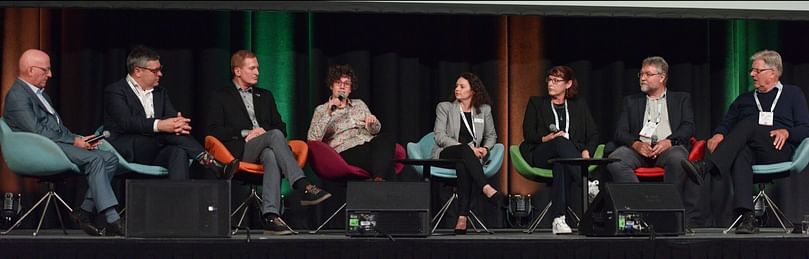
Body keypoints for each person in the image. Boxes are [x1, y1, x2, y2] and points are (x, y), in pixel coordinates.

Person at [683, 50, 809, 234]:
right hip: (752, 152)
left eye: (757, 71)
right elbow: (727, 123)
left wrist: (787, 131)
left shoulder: (792, 93)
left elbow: (805, 128)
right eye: (752, 71)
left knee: (749, 123)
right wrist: (718, 134)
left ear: (773, 72)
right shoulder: (745, 99)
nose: (752, 74)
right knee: (742, 152)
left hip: (778, 150)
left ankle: (707, 166)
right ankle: (747, 217)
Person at [206, 50, 331, 235]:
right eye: (252, 68)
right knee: (273, 137)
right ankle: (302, 184)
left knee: (271, 154)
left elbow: (281, 127)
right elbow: (213, 130)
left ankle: (270, 216)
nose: (257, 72)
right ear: (237, 71)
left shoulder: (265, 95)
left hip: (267, 147)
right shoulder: (221, 96)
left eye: (258, 67)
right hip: (240, 151)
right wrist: (246, 133)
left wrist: (265, 133)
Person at [3, 49, 123, 236]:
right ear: (30, 69)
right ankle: (112, 218)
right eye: (45, 70)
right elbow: (36, 131)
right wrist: (74, 141)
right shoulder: (18, 95)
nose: (50, 74)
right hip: (39, 150)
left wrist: (81, 139)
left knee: (109, 158)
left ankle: (83, 211)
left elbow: (58, 129)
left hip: (56, 145)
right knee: (95, 160)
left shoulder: (40, 94)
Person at [103, 45, 238, 180]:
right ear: (138, 71)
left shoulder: (160, 92)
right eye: (155, 71)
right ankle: (210, 161)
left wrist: (177, 124)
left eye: (160, 69)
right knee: (165, 134)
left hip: (155, 149)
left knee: (178, 152)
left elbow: (171, 118)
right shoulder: (116, 91)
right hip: (128, 149)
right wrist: (160, 125)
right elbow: (127, 122)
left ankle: (180, 200)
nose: (160, 74)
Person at [606, 56, 701, 228]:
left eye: (648, 74)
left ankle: (669, 215)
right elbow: (620, 132)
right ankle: (638, 211)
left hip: (668, 149)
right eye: (641, 74)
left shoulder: (681, 99)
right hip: (639, 150)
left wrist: (670, 142)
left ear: (662, 77)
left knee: (678, 158)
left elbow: (689, 126)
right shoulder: (631, 101)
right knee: (616, 161)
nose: (643, 78)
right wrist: (636, 144)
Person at [519, 66, 599, 234]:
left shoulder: (579, 106)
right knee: (559, 142)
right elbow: (528, 134)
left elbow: (593, 134)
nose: (551, 84)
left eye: (556, 81)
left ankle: (558, 219)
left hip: (568, 158)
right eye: (549, 79)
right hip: (541, 152)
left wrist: (586, 151)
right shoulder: (536, 103)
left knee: (560, 164)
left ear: (568, 84)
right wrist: (547, 138)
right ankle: (586, 184)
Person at [432, 72, 504, 234]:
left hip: (468, 158)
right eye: (456, 86)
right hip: (446, 153)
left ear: (473, 91)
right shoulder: (445, 107)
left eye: (462, 86)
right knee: (464, 150)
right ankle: (486, 187)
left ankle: (462, 218)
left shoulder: (484, 110)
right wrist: (468, 149)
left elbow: (491, 136)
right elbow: (439, 136)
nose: (457, 89)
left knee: (463, 164)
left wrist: (485, 149)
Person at [307, 64, 397, 181]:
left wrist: (372, 123)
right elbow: (313, 139)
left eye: (346, 84)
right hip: (345, 152)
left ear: (350, 89)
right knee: (386, 161)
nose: (342, 87)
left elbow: (376, 130)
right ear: (331, 86)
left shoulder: (359, 104)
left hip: (368, 143)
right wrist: (329, 113)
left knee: (387, 138)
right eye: (338, 83)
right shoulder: (321, 110)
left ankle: (378, 178)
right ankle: (380, 180)